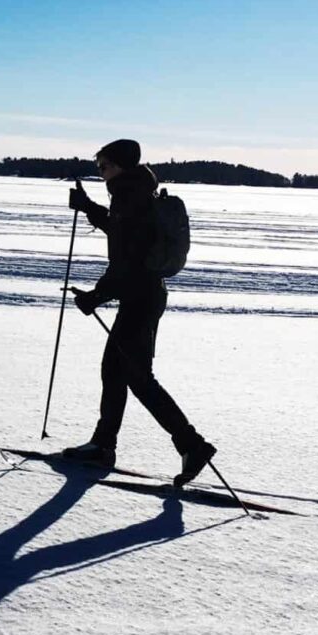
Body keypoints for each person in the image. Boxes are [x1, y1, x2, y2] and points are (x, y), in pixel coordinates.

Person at [62, 138, 217, 487]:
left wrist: (95, 297)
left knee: (138, 378)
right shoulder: (133, 194)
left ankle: (192, 444)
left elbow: (125, 262)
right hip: (144, 296)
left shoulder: (128, 197)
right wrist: (89, 207)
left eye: (104, 167)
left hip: (140, 297)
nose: (100, 173)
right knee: (116, 371)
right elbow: (122, 234)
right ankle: (103, 444)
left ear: (120, 166)